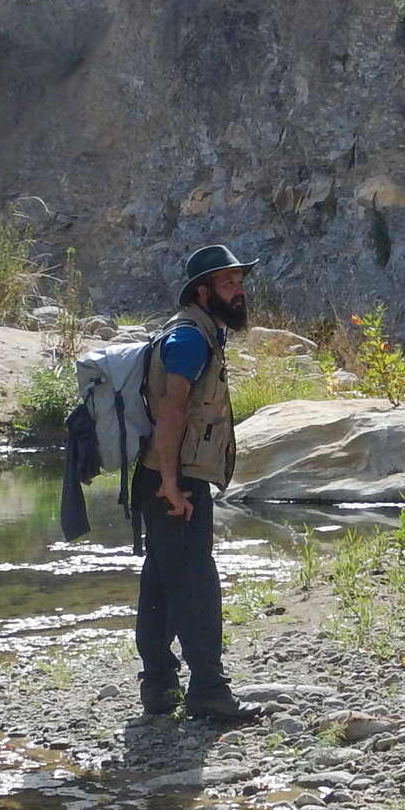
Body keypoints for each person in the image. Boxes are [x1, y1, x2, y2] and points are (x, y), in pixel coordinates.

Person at [134, 244, 261, 722]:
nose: (240, 292)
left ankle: (159, 687)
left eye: (241, 283)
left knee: (163, 579)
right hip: (174, 478)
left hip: (170, 474)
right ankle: (208, 689)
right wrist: (170, 482)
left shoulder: (199, 332)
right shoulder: (188, 338)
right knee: (195, 580)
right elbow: (170, 410)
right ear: (204, 292)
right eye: (230, 284)